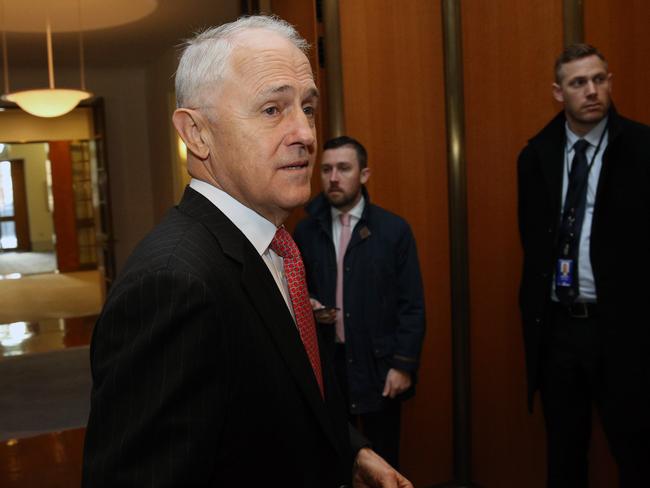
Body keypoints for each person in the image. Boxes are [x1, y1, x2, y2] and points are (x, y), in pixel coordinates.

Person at [82, 16, 413, 488]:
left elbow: (278, 394)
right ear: (197, 134)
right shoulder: (172, 284)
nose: (305, 134)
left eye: (308, 108)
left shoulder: (271, 243)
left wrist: (351, 451)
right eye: (272, 110)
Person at [517, 43, 650, 488]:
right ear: (559, 92)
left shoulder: (642, 148)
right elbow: (533, 247)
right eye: (579, 83)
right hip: (558, 331)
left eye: (600, 79)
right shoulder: (535, 156)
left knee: (635, 451)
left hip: (624, 330)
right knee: (565, 455)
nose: (592, 90)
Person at [294, 136, 426, 468]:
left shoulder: (393, 230)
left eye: (343, 168)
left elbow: (412, 304)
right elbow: (296, 292)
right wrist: (307, 304)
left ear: (364, 174)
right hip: (329, 364)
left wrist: (403, 365)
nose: (333, 178)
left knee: (383, 460)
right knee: (335, 460)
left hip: (379, 363)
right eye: (325, 169)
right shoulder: (305, 232)